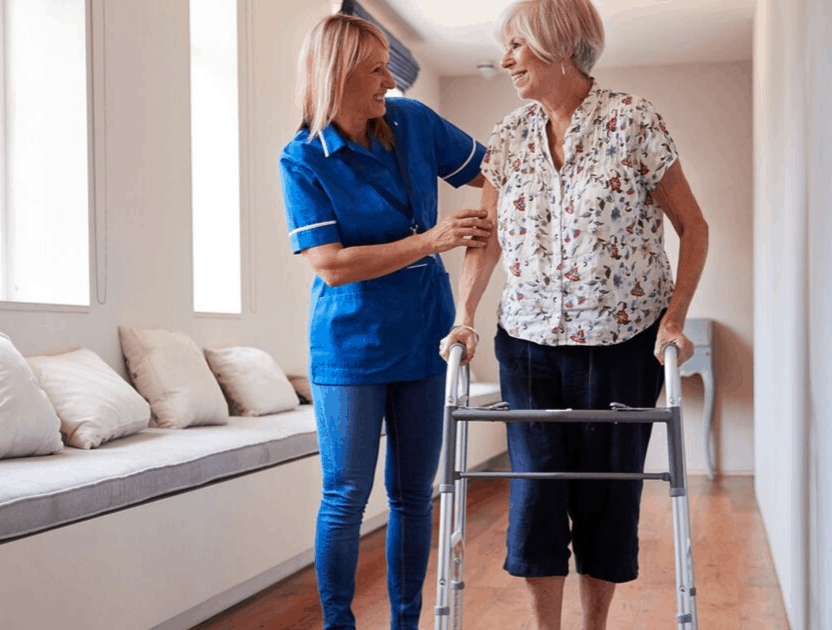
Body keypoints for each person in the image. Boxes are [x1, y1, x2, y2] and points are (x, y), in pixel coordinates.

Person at [439, 1, 709, 628]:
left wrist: (675, 319)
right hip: (528, 347)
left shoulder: (634, 121)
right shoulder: (509, 135)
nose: (505, 59)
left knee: (607, 501)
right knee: (535, 499)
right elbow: (487, 238)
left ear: (556, 43)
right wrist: (465, 315)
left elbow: (693, 226)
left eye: (515, 46)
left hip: (623, 345)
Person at [279, 13, 492, 630]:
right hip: (349, 349)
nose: (388, 81)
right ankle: (338, 625)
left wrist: (483, 244)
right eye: (376, 70)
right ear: (338, 75)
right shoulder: (303, 159)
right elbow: (332, 265)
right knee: (346, 495)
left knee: (410, 495)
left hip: (427, 336)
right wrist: (432, 240)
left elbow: (500, 174)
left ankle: (406, 622)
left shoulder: (415, 122)